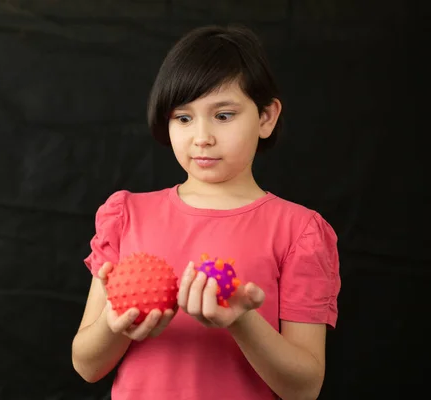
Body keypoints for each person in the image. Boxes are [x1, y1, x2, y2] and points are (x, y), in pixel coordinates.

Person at [71, 24, 341, 400]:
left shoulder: (300, 231)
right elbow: (86, 366)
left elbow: (305, 388)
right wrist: (115, 326)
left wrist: (242, 320)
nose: (202, 137)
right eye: (183, 118)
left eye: (224, 115)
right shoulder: (125, 215)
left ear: (266, 117)